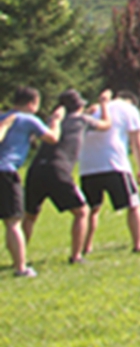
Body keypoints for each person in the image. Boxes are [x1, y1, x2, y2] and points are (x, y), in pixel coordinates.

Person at [22, 90, 111, 266]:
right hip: (58, 169)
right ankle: (76, 256)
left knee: (30, 215)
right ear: (80, 106)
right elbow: (106, 124)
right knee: (82, 212)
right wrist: (104, 105)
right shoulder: (82, 121)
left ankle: (20, 257)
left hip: (36, 169)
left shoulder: (53, 121)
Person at [79, 89, 140, 255]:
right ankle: (138, 245)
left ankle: (85, 247)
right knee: (134, 204)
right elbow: (137, 142)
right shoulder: (129, 109)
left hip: (87, 166)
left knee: (92, 209)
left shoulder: (95, 110)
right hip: (114, 164)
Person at [0, 88, 60, 277]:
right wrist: (56, 121)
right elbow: (52, 138)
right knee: (13, 222)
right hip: (7, 172)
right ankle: (20, 268)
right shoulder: (28, 119)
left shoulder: (5, 117)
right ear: (31, 104)